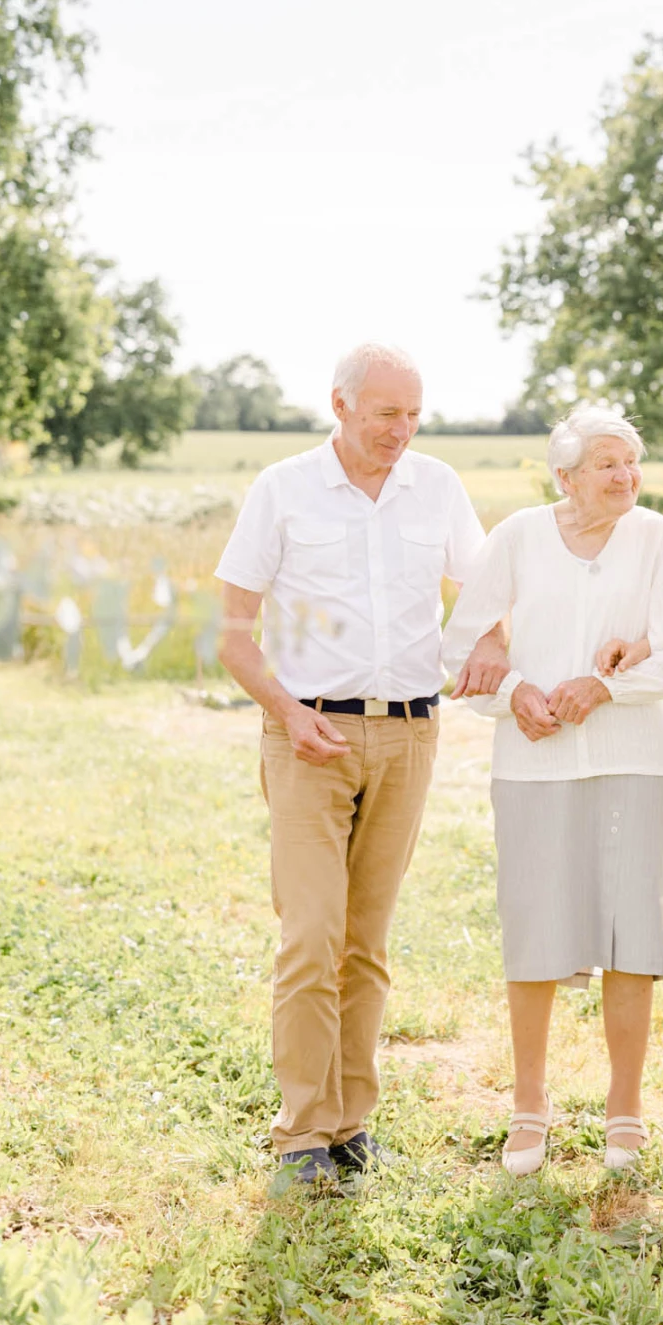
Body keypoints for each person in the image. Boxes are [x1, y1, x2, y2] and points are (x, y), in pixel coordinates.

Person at [215, 343, 508, 1184]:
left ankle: (349, 1124)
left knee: (367, 943)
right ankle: (301, 1134)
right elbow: (234, 635)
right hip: (310, 739)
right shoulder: (282, 489)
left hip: (411, 734)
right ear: (340, 406)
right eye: (387, 414)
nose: (402, 431)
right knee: (312, 938)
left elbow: (487, 589)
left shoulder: (438, 487)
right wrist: (286, 712)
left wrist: (491, 638)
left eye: (413, 415)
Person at [441, 405, 663, 1176]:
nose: (626, 477)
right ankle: (530, 1107)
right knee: (534, 931)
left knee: (633, 935)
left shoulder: (660, 537)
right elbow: (463, 643)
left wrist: (606, 688)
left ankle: (626, 1110)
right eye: (607, 465)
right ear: (566, 476)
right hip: (533, 764)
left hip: (635, 762)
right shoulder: (518, 536)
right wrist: (515, 690)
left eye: (631, 462)